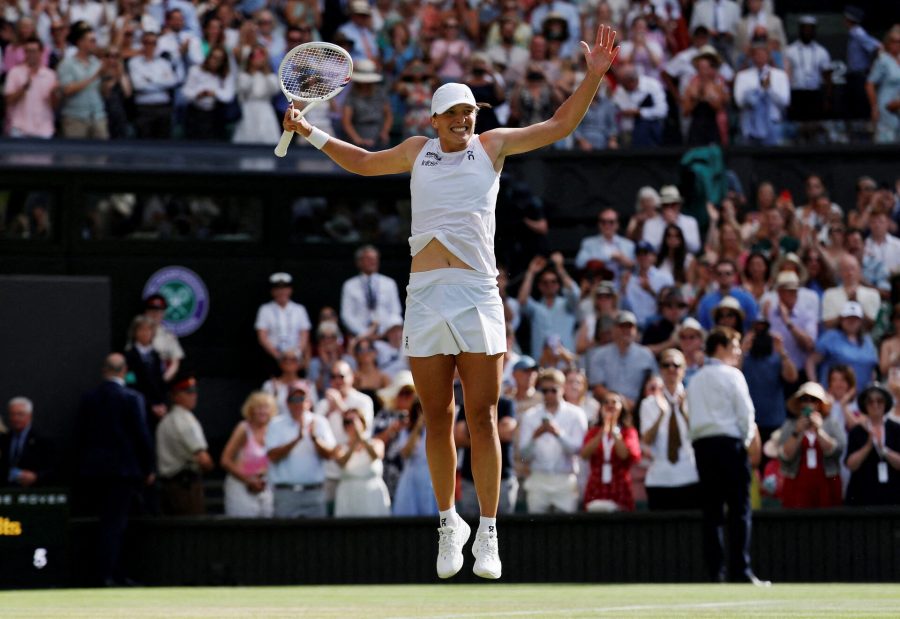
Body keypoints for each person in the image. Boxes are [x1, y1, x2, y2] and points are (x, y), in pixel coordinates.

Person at [281, 23, 618, 579]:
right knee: (437, 417)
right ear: (434, 119)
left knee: (482, 416)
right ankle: (448, 523)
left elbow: (559, 125)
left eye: (469, 111)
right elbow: (362, 161)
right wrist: (309, 131)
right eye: (454, 113)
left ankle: (487, 530)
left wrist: (594, 77)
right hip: (426, 296)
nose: (464, 119)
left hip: (478, 293)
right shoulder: (417, 151)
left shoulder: (493, 146)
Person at [687, 327, 769, 586]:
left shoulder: (695, 379)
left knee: (712, 512)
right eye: (734, 347)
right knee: (739, 510)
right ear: (720, 347)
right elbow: (746, 414)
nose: (738, 352)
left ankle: (716, 574)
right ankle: (740, 572)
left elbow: (693, 419)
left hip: (703, 448)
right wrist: (744, 442)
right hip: (730, 446)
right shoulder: (733, 375)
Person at [74, 354, 155, 586]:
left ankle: (107, 572)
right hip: (123, 474)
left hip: (93, 473)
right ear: (124, 371)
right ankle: (109, 575)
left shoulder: (89, 398)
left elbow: (80, 436)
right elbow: (142, 436)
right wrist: (149, 468)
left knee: (104, 523)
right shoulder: (132, 398)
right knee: (116, 524)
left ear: (104, 370)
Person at [518, 368, 589, 514]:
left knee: (566, 525)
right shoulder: (530, 415)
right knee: (535, 524)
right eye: (545, 391)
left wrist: (558, 434)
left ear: (562, 388)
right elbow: (524, 455)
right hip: (538, 479)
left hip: (565, 480)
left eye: (553, 390)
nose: (549, 394)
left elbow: (579, 450)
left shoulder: (576, 414)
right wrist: (535, 436)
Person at [639, 349, 700, 510]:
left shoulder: (694, 400)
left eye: (676, 365)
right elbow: (646, 441)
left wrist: (684, 414)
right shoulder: (649, 403)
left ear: (684, 370)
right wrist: (661, 415)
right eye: (666, 365)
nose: (671, 369)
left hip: (689, 476)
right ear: (661, 370)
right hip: (659, 478)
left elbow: (699, 437)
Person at [266, 380, 336, 518]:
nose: (298, 403)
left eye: (302, 398)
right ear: (287, 403)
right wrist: (297, 439)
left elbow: (330, 454)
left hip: (314, 493)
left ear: (309, 402)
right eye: (294, 399)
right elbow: (272, 456)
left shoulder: (320, 422)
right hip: (286, 494)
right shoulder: (276, 424)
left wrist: (315, 439)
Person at [777, 382, 845, 509]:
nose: (808, 403)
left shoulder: (830, 424)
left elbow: (838, 450)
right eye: (804, 399)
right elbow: (784, 456)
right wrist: (797, 432)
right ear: (799, 403)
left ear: (820, 404)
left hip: (826, 484)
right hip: (797, 486)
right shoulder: (790, 425)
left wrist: (819, 431)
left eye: (813, 399)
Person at [156, 373, 213, 515]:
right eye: (188, 392)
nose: (193, 396)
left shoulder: (165, 420)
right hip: (186, 487)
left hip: (168, 487)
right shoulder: (185, 419)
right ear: (175, 395)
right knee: (193, 526)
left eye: (194, 392)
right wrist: (209, 467)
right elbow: (203, 459)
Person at [456, 394, 517, 518]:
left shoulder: (506, 403)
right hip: (470, 480)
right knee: (471, 523)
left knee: (504, 524)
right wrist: (492, 433)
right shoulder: (466, 404)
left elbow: (507, 433)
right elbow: (458, 437)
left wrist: (475, 431)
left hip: (502, 479)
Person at [584, 310, 658, 411]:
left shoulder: (646, 355)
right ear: (613, 329)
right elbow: (597, 387)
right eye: (622, 326)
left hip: (639, 409)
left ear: (636, 330)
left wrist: (640, 405)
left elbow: (655, 382)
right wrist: (621, 402)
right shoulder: (599, 355)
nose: (626, 330)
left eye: (630, 327)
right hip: (609, 407)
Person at [581, 390, 641, 512]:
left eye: (614, 402)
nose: (610, 405)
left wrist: (613, 430)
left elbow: (624, 455)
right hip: (597, 484)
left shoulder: (628, 432)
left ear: (621, 407)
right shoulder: (593, 431)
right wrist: (602, 432)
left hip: (619, 484)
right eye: (606, 402)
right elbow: (584, 454)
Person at [220, 391, 276, 518]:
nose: (262, 411)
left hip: (264, 487)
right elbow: (225, 460)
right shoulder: (243, 428)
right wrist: (248, 480)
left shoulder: (273, 430)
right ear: (251, 410)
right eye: (258, 407)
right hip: (240, 487)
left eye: (266, 407)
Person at [845, 382, 900, 506]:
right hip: (863, 497)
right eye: (870, 401)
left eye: (879, 401)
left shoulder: (896, 429)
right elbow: (850, 464)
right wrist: (868, 446)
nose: (875, 405)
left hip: (893, 498)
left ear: (885, 403)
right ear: (865, 405)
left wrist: (883, 449)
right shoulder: (857, 431)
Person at [518, 252, 581, 359]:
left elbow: (575, 293)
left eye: (553, 281)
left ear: (558, 285)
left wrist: (560, 268)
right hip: (541, 364)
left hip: (565, 363)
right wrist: (531, 272)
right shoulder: (536, 308)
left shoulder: (567, 305)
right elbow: (522, 300)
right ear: (539, 286)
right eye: (545, 282)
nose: (549, 285)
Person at [333, 409, 392, 517]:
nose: (351, 425)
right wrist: (353, 444)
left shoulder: (376, 443)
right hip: (348, 496)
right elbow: (342, 462)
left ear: (363, 422)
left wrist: (361, 437)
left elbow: (376, 455)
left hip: (372, 495)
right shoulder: (340, 447)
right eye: (347, 422)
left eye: (354, 421)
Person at [807, 301, 878, 389]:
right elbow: (811, 361)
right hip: (833, 394)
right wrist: (815, 386)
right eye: (848, 318)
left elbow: (871, 368)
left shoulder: (867, 340)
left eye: (855, 318)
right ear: (841, 320)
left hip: (863, 394)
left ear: (861, 321)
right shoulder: (830, 337)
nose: (852, 321)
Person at [734, 39, 790, 146]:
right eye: (757, 54)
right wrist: (757, 92)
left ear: (768, 56)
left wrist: (768, 89)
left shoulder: (780, 75)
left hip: (773, 124)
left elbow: (785, 101)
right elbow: (739, 102)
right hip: (749, 126)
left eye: (763, 54)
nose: (759, 57)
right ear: (752, 57)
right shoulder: (742, 76)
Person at [57, 24, 109, 139]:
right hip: (75, 118)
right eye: (92, 41)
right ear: (81, 42)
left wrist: (107, 79)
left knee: (102, 150)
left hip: (97, 116)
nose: (95, 44)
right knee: (75, 151)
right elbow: (67, 90)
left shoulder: (97, 63)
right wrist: (95, 77)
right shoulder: (67, 64)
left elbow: (103, 93)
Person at [340, 244, 403, 338]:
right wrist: (364, 333)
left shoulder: (389, 283)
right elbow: (347, 315)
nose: (373, 261)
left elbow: (395, 311)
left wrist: (383, 333)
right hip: (360, 335)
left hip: (385, 334)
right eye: (368, 258)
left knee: (398, 321)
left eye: (375, 258)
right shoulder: (349, 285)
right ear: (359, 262)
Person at [2, 37, 59, 138]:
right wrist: (24, 88)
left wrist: (53, 94)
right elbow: (8, 101)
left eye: (34, 51)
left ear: (41, 52)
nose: (30, 54)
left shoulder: (50, 75)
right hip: (19, 129)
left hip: (44, 130)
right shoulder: (15, 72)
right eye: (27, 51)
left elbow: (54, 106)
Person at [392, 397, 438, 516]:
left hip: (432, 479)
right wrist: (418, 427)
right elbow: (405, 453)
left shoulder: (438, 431)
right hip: (410, 480)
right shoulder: (406, 431)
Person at [255, 272, 312, 367]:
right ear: (272, 291)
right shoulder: (265, 309)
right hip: (273, 357)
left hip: (295, 356)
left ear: (290, 290)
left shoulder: (299, 309)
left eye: (285, 288)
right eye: (278, 289)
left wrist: (296, 354)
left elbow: (304, 335)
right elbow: (262, 337)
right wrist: (278, 356)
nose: (281, 292)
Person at [0, 397, 54, 488]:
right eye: (13, 414)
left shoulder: (43, 439)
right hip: (6, 490)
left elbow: (55, 468)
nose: (15, 418)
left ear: (29, 416)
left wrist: (36, 477)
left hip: (34, 490)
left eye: (20, 414)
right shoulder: (4, 439)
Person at [573, 207, 635, 284]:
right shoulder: (588, 243)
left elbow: (637, 269)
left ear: (617, 224)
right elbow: (579, 263)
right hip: (597, 287)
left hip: (621, 287)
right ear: (599, 224)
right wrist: (609, 256)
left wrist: (626, 261)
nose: (607, 225)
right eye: (603, 222)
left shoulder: (629, 245)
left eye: (611, 222)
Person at [866, 26, 900, 144]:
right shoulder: (883, 60)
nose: (897, 45)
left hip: (898, 105)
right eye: (894, 41)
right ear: (888, 43)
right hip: (886, 105)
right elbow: (870, 84)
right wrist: (874, 107)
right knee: (887, 138)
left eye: (899, 41)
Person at [142, 293, 185, 382]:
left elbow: (175, 363)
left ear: (163, 313)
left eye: (159, 311)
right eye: (152, 310)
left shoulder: (168, 336)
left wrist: (162, 380)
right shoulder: (137, 332)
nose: (155, 314)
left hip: (162, 378)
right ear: (146, 312)